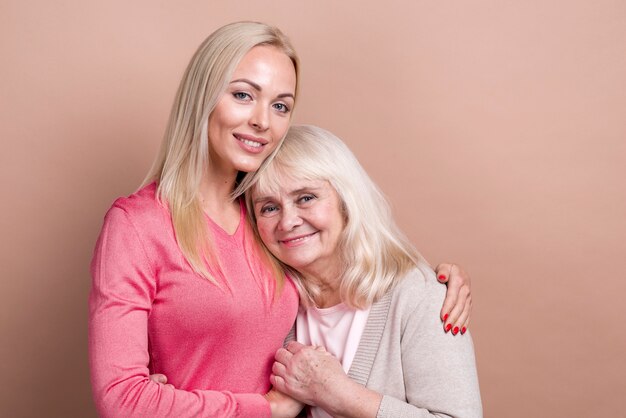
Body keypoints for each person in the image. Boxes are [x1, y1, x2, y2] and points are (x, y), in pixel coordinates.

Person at [89, 21, 472, 418]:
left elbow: (348, 274)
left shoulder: (265, 221)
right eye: (242, 95)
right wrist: (263, 409)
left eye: (280, 106)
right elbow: (121, 400)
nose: (263, 121)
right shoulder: (137, 225)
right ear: (202, 96)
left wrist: (434, 282)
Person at [246, 125, 483, 417]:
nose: (288, 221)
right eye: (269, 208)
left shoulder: (419, 298)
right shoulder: (266, 308)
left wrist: (338, 393)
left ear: (346, 200)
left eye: (306, 197)